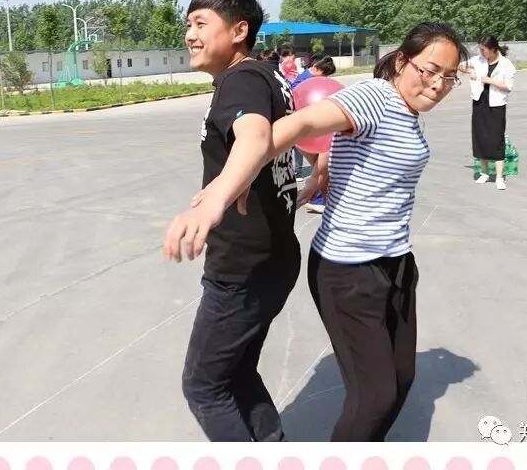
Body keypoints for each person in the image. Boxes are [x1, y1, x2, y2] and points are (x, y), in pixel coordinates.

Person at [192, 22, 469, 441]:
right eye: (430, 70)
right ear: (402, 61)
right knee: (375, 397)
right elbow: (298, 125)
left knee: (401, 379)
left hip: (395, 263)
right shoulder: (375, 97)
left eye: (449, 77)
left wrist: (323, 167)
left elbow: (345, 142)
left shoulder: (407, 112)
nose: (437, 85)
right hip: (349, 270)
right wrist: (233, 179)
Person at [163, 0, 300, 442]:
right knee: (236, 373)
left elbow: (255, 138)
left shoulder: (241, 80)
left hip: (243, 268)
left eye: (201, 23)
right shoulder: (267, 76)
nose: (190, 35)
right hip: (272, 259)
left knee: (203, 385)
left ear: (239, 30)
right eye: (188, 25)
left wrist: (213, 202)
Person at [461, 35, 516, 190]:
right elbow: (459, 65)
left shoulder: (506, 64)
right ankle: (484, 173)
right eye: (480, 49)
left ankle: (499, 177)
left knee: (497, 140)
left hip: (497, 105)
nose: (481, 52)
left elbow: (508, 87)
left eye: (483, 49)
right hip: (479, 102)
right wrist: (469, 71)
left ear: (493, 49)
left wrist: (491, 81)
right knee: (480, 138)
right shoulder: (478, 60)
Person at [290, 53, 337, 213]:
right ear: (316, 68)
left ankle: (321, 199)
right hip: (309, 132)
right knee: (321, 167)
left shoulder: (304, 79)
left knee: (321, 167)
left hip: (310, 131)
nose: (326, 79)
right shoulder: (304, 83)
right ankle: (317, 199)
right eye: (325, 74)